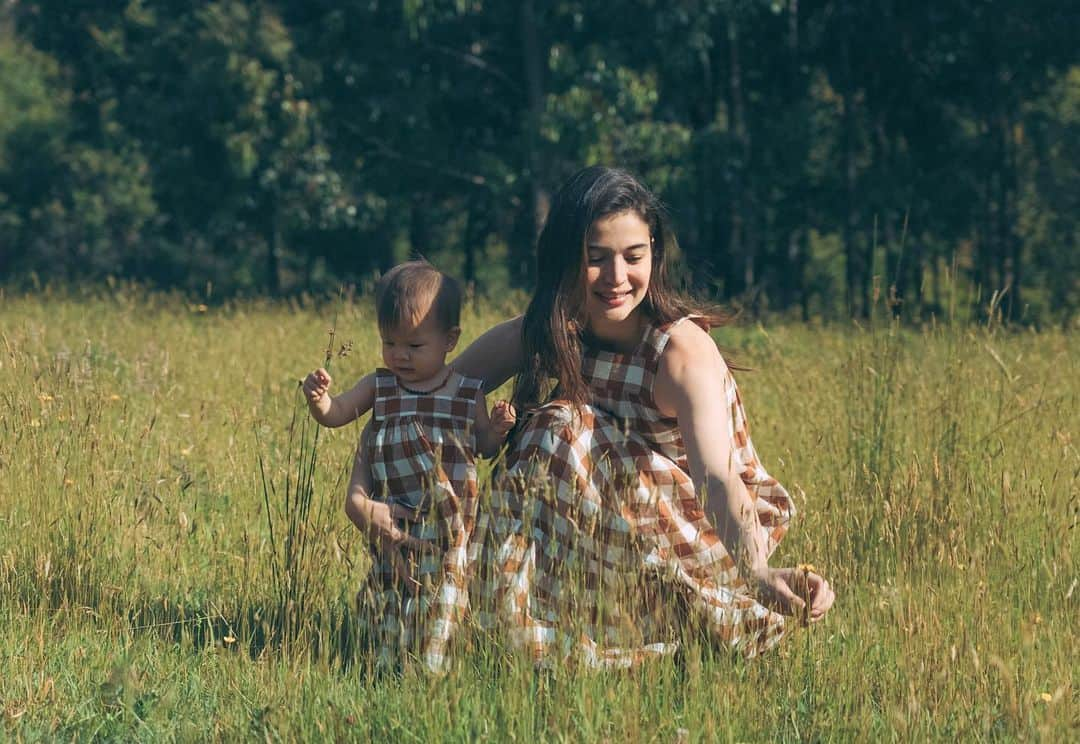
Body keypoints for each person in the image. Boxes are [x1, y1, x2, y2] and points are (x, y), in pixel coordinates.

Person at [351, 167, 835, 669]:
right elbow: (421, 399)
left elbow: (717, 476)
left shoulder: (680, 352)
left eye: (634, 256)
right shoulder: (552, 329)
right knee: (543, 434)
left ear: (655, 253)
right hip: (601, 542)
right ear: (565, 260)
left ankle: (651, 633)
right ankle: (505, 627)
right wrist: (360, 498)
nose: (617, 278)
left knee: (558, 427)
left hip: (699, 545)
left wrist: (758, 570)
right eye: (595, 258)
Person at [302, 260, 516, 670]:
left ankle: (433, 668)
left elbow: (484, 446)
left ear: (450, 339)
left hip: (451, 523)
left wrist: (499, 428)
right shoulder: (380, 386)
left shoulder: (466, 392)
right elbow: (339, 413)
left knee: (446, 589)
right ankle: (385, 660)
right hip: (395, 515)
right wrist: (320, 401)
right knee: (394, 588)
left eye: (414, 346)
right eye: (390, 343)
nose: (399, 355)